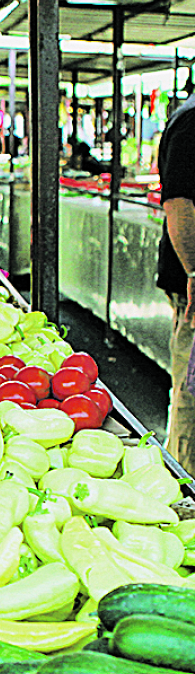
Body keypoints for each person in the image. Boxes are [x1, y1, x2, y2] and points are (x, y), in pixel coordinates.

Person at [155, 89, 195, 475]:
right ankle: (186, 486)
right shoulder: (193, 122)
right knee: (191, 391)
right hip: (193, 286)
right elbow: (179, 203)